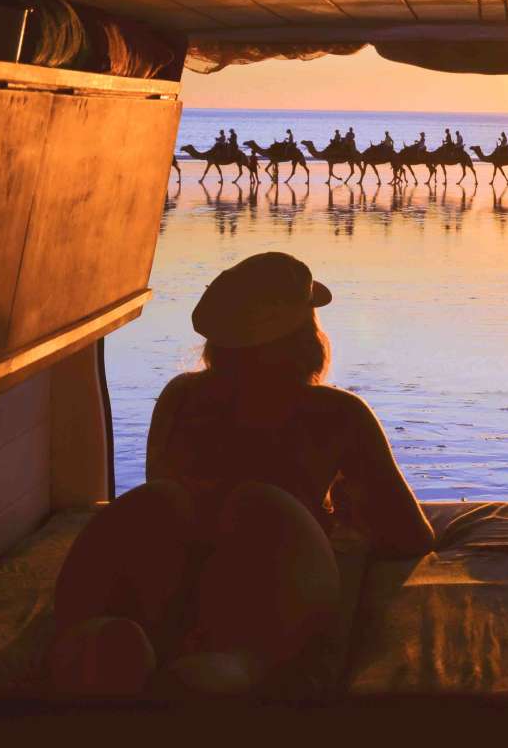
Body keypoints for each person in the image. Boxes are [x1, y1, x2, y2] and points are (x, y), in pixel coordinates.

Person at [49, 253, 434, 696]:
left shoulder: (179, 397)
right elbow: (409, 536)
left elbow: (162, 478)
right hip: (264, 551)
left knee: (166, 503)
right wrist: (350, 519)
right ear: (307, 335)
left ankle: (114, 637)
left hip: (162, 537)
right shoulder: (337, 413)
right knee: (260, 513)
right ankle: (230, 666)